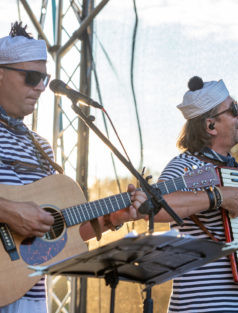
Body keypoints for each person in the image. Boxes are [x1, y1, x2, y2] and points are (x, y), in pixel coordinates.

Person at [0, 22, 146, 313]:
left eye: (44, 78)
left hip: (27, 296)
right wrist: (9, 211)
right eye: (31, 77)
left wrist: (111, 219)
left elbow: (56, 238)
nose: (41, 87)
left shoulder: (41, 147)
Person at [155, 76, 238, 312]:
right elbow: (155, 207)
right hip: (203, 306)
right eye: (234, 109)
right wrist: (216, 197)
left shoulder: (235, 170)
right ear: (211, 126)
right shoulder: (185, 165)